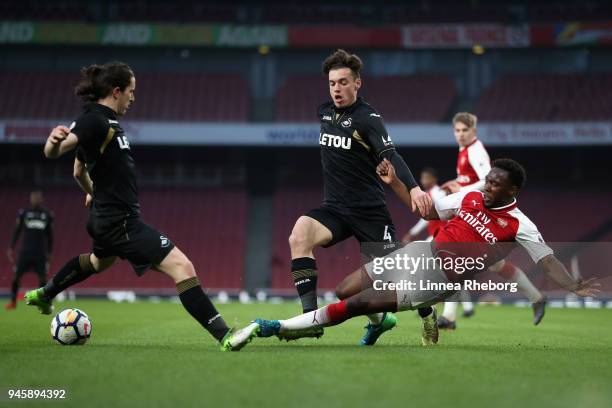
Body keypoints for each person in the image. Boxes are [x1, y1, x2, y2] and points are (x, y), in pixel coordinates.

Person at [24, 61, 256, 351]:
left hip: (104, 217)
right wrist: (52, 143)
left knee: (98, 262)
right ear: (116, 91)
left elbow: (78, 171)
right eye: (131, 92)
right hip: (121, 222)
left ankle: (46, 293)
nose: (133, 98)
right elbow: (56, 150)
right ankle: (225, 335)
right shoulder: (94, 120)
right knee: (183, 267)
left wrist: (94, 193)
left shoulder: (104, 123)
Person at [245, 159, 599, 345]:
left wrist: (572, 286)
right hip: (420, 252)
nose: (487, 186)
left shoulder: (521, 224)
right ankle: (420, 317)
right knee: (344, 289)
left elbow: (547, 261)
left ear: (514, 189)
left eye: (495, 183)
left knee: (354, 306)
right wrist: (397, 184)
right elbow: (429, 211)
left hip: (437, 279)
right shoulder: (471, 197)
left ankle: (280, 327)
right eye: (488, 180)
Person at [287, 49, 432, 345]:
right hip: (335, 209)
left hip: (369, 213)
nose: (336, 89)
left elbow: (391, 154)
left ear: (357, 84)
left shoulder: (369, 119)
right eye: (332, 83)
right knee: (299, 236)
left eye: (343, 82)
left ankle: (427, 311)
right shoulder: (324, 112)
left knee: (395, 278)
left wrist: (414, 186)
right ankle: (310, 319)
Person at [438, 112, 546, 329]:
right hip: (476, 209)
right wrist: (456, 183)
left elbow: (488, 181)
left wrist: (463, 189)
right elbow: (472, 180)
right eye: (457, 130)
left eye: (464, 130)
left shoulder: (476, 150)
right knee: (486, 263)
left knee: (457, 261)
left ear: (473, 131)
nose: (460, 134)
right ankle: (535, 296)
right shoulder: (464, 150)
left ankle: (449, 316)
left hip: (483, 211)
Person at [5, 191, 53, 310]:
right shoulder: (24, 213)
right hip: (25, 251)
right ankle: (13, 301)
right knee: (16, 277)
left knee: (43, 279)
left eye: (38, 198)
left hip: (40, 252)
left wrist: (50, 252)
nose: (35, 200)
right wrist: (11, 247)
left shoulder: (47, 215)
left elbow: (50, 236)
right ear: (30, 199)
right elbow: (17, 231)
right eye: (34, 198)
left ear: (41, 200)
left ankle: (43, 302)